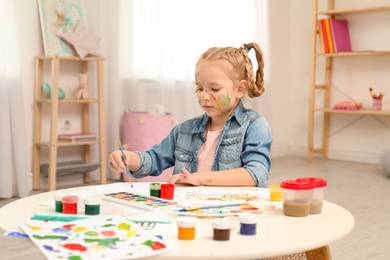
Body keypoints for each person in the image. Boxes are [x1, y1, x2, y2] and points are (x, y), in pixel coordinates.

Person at [108, 42, 272, 187]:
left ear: (240, 89)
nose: (204, 96)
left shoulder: (255, 126)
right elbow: (153, 159)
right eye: (200, 88)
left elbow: (255, 174)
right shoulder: (184, 131)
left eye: (214, 89)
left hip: (232, 212)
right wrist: (128, 158)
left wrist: (199, 178)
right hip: (190, 210)